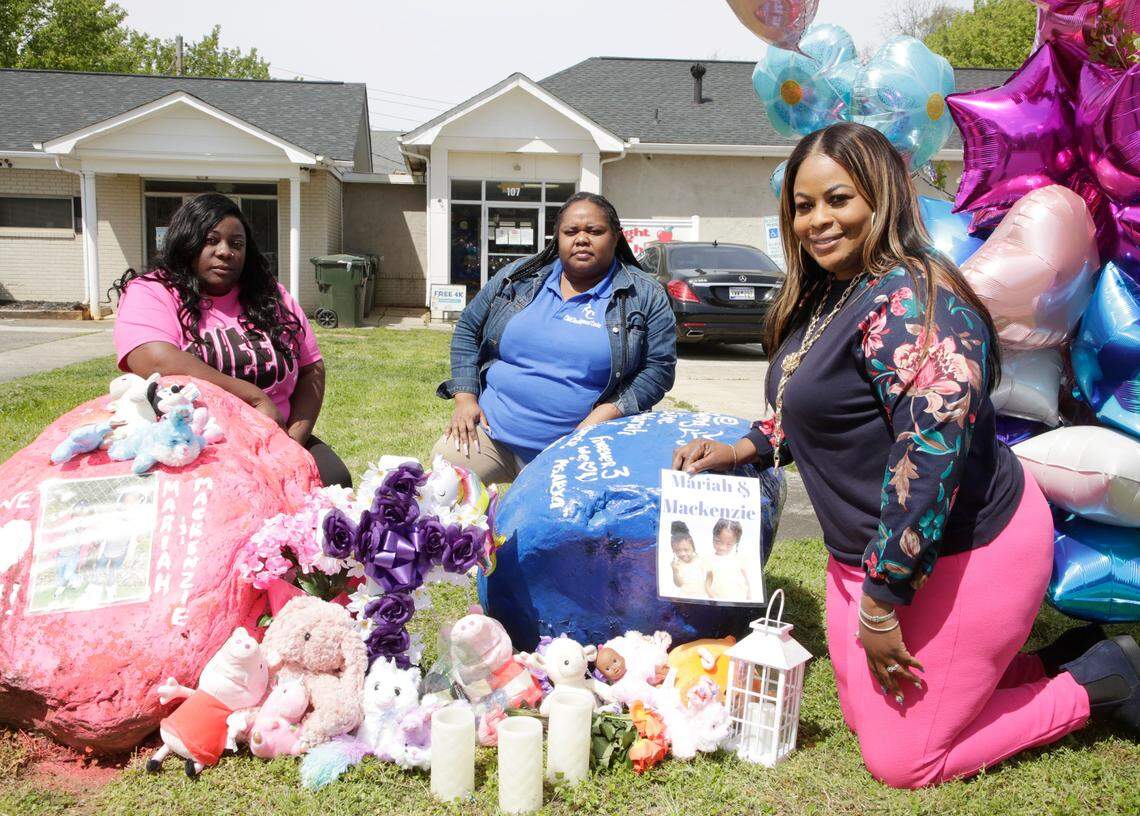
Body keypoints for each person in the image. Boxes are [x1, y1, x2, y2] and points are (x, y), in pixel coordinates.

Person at [672, 122, 1139, 788]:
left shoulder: (917, 302)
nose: (817, 220)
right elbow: (815, 408)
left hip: (966, 548)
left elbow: (931, 458)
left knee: (903, 758)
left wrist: (883, 601)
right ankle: (1055, 657)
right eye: (803, 206)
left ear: (882, 197)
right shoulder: (833, 293)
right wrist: (743, 447)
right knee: (868, 719)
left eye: (839, 199)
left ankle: (1103, 679)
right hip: (865, 555)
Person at [111, 193, 351, 488]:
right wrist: (253, 396)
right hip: (196, 443)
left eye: (236, 244)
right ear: (186, 241)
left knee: (335, 480)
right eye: (211, 240)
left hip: (278, 436)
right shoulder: (153, 291)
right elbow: (154, 357)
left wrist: (291, 442)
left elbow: (311, 367)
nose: (225, 252)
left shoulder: (270, 296)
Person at [434, 192, 677, 483]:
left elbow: (658, 370)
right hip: (491, 436)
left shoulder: (645, 294)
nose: (582, 239)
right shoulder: (519, 277)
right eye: (570, 231)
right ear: (556, 238)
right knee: (441, 491)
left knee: (552, 527)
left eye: (595, 231)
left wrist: (601, 418)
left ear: (616, 237)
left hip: (579, 449)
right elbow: (467, 329)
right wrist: (465, 399)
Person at [705, 518, 749, 600]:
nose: (722, 547)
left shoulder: (738, 559)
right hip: (719, 599)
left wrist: (749, 597)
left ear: (735, 542)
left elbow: (746, 580)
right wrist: (713, 598)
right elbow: (707, 584)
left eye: (729, 544)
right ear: (713, 537)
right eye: (718, 541)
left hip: (739, 598)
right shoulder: (710, 560)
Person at [669, 520, 705, 597]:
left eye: (686, 549)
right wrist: (675, 571)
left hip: (702, 596)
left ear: (692, 546)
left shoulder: (700, 560)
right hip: (686, 596)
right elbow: (679, 584)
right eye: (678, 551)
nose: (682, 554)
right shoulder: (678, 564)